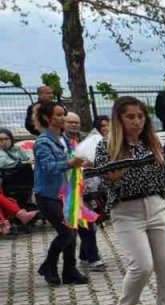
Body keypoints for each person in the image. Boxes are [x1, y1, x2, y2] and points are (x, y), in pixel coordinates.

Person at [88, 96, 165, 305]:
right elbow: (106, 180)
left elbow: (164, 178)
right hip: (126, 210)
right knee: (142, 266)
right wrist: (120, 167)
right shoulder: (107, 146)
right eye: (130, 117)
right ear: (119, 119)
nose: (136, 122)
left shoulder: (151, 144)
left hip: (156, 205)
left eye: (140, 116)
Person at [32, 102, 91, 286]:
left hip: (65, 193)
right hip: (48, 195)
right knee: (66, 232)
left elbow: (70, 163)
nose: (63, 118)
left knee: (72, 230)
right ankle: (48, 266)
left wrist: (79, 173)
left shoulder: (63, 140)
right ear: (47, 118)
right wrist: (70, 163)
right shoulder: (43, 142)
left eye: (63, 114)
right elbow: (49, 168)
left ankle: (69, 270)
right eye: (58, 115)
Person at [61, 111, 105, 272]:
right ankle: (92, 258)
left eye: (76, 122)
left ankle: (85, 256)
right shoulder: (61, 142)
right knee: (85, 223)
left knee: (89, 222)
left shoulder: (84, 139)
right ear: (63, 124)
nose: (74, 125)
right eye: (70, 122)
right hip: (69, 189)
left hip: (88, 185)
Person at [0, 128, 36, 231]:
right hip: (6, 182)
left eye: (6, 139)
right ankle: (16, 216)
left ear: (11, 139)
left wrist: (27, 161)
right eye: (0, 139)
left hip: (25, 181)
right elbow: (5, 163)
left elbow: (29, 158)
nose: (3, 142)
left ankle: (6, 221)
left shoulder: (17, 149)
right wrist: (24, 162)